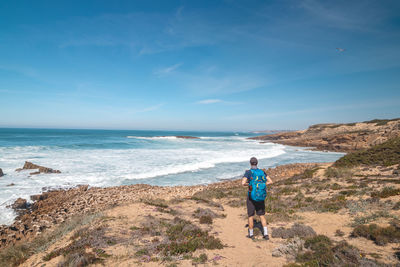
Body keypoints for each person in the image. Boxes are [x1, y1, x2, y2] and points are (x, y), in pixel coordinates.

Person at [241, 157, 273, 240]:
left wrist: (251, 184)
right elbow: (270, 181)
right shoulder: (262, 172)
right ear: (257, 163)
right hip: (261, 197)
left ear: (250, 163)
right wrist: (262, 184)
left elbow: (243, 183)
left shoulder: (248, 172)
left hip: (251, 197)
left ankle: (251, 235)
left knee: (250, 216)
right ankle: (266, 234)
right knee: (262, 216)